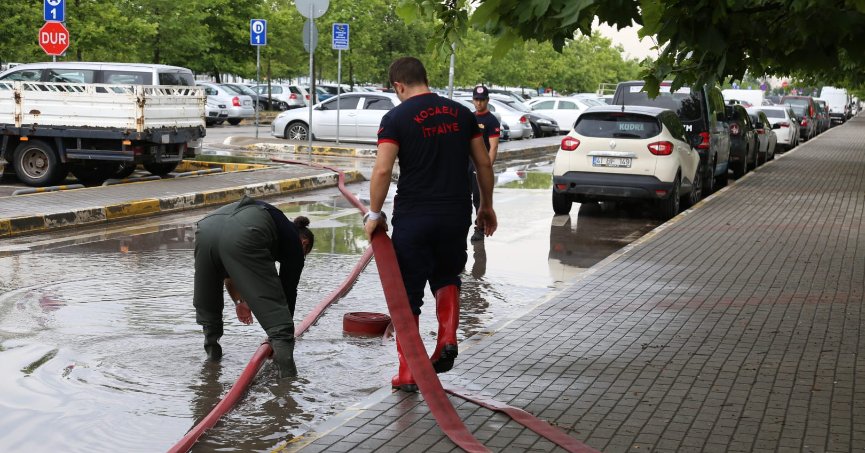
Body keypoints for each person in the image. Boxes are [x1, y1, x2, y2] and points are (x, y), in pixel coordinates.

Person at [363, 56, 497, 392]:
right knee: (446, 275)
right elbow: (483, 164)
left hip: (414, 216)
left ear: (399, 85)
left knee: (408, 297)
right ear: (424, 78)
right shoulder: (462, 113)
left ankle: (408, 373)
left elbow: (381, 170)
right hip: (455, 214)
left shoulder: (395, 118)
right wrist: (487, 207)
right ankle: (447, 337)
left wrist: (374, 214)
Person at [193, 195, 314, 379]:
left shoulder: (272, 220)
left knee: (207, 301)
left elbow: (229, 274)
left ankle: (212, 362)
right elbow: (287, 291)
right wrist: (280, 332)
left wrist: (241, 301)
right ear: (304, 243)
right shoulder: (293, 241)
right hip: (244, 232)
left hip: (206, 229)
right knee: (280, 326)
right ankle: (288, 381)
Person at [469, 85, 501, 242]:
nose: (479, 103)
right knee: (461, 197)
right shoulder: (469, 118)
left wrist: (485, 169)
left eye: (482, 100)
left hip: (479, 165)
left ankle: (480, 229)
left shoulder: (491, 121)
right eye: (476, 99)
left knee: (478, 198)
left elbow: (493, 147)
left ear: (487, 100)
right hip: (466, 164)